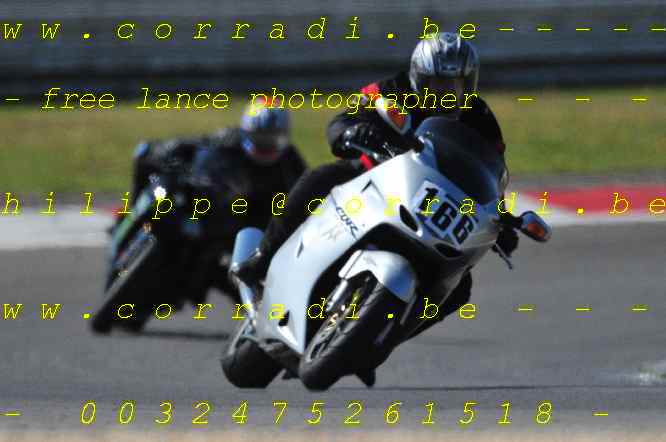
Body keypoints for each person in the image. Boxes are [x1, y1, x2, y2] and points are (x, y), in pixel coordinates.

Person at [233, 32, 519, 331]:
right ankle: (262, 257)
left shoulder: (481, 119)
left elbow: (492, 172)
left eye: (455, 85)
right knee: (321, 177)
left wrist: (499, 219)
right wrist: (352, 132)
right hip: (378, 178)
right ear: (418, 77)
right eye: (437, 84)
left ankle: (385, 338)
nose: (446, 93)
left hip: (433, 208)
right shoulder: (392, 90)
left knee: (459, 288)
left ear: (469, 84)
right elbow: (345, 119)